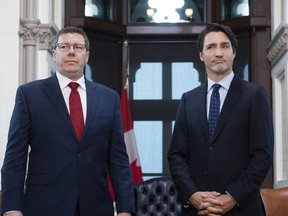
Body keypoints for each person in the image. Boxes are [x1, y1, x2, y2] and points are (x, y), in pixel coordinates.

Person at [1, 26, 135, 216]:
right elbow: (15, 157)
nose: (71, 51)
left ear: (87, 56)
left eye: (78, 47)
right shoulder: (30, 95)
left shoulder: (108, 98)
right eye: (64, 46)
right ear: (54, 54)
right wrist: (11, 208)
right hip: (44, 206)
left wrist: (126, 209)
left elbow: (119, 160)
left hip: (95, 207)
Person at [167, 23, 274, 216]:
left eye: (225, 46)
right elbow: (176, 156)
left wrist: (232, 197)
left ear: (233, 52)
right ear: (201, 55)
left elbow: (262, 155)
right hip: (198, 210)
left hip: (242, 209)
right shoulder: (188, 100)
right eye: (211, 47)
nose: (218, 52)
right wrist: (192, 195)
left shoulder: (254, 95)